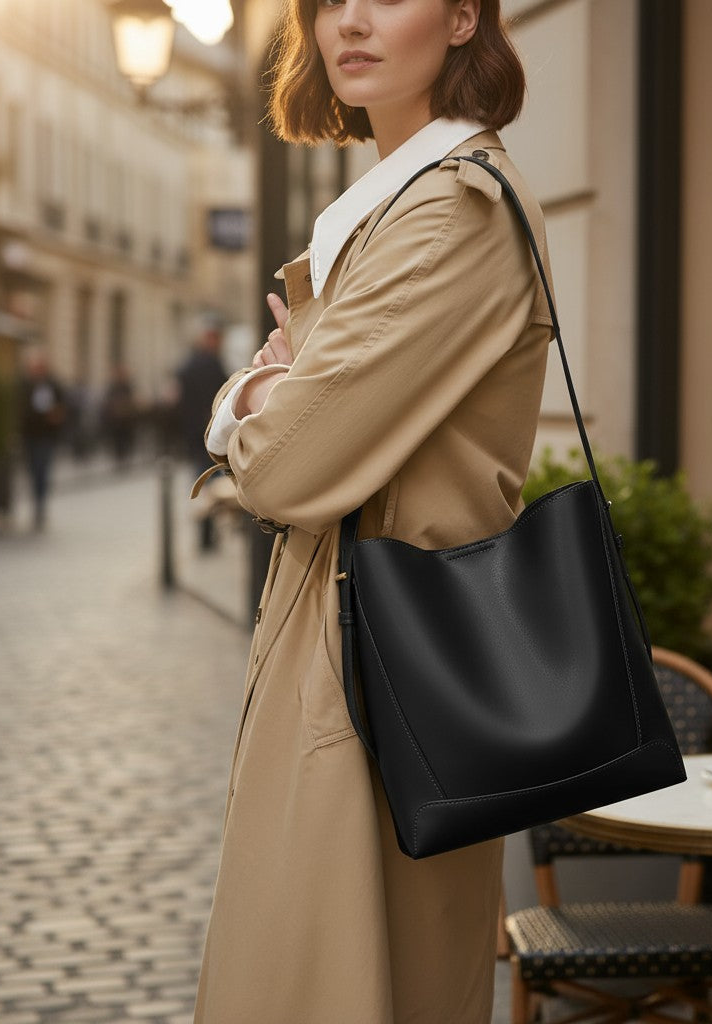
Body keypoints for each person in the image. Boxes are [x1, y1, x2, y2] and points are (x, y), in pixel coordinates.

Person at [193, 2, 552, 1021]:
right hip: (349, 646)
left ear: (461, 15)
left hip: (379, 670)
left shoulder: (453, 209)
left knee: (340, 984)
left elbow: (290, 468)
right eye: (325, 0)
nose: (348, 21)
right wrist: (284, 390)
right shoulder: (392, 208)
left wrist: (249, 396)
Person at [176, 324, 227, 549]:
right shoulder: (213, 364)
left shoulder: (187, 366)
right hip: (210, 434)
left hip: (193, 435)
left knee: (200, 484)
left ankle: (204, 534)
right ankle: (208, 533)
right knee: (212, 485)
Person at [19, 349, 67, 531]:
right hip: (30, 435)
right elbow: (21, 408)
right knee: (33, 470)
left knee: (42, 469)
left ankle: (40, 504)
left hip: (46, 436)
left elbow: (62, 408)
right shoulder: (25, 385)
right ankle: (37, 502)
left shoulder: (53, 385)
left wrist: (56, 416)